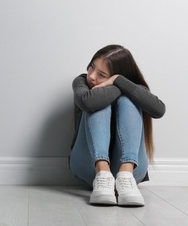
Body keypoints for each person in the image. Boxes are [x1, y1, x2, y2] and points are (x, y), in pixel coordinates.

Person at [69, 44, 166, 206]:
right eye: (92, 67)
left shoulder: (133, 87)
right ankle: (102, 172)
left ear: (118, 75)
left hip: (132, 171)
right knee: (97, 100)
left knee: (128, 100)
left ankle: (126, 175)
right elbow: (88, 102)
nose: (92, 76)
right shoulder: (81, 82)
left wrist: (118, 81)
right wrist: (120, 86)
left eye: (102, 74)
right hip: (88, 167)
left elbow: (159, 110)